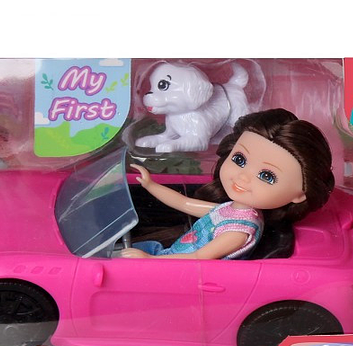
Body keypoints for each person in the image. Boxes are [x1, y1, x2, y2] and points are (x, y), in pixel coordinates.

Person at [119, 108, 335, 261]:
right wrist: (150, 185)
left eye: (267, 176)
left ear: (300, 194)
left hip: (180, 270)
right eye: (240, 160)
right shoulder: (230, 211)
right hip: (170, 256)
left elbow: (199, 257)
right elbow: (184, 203)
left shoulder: (238, 231)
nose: (243, 177)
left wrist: (149, 260)